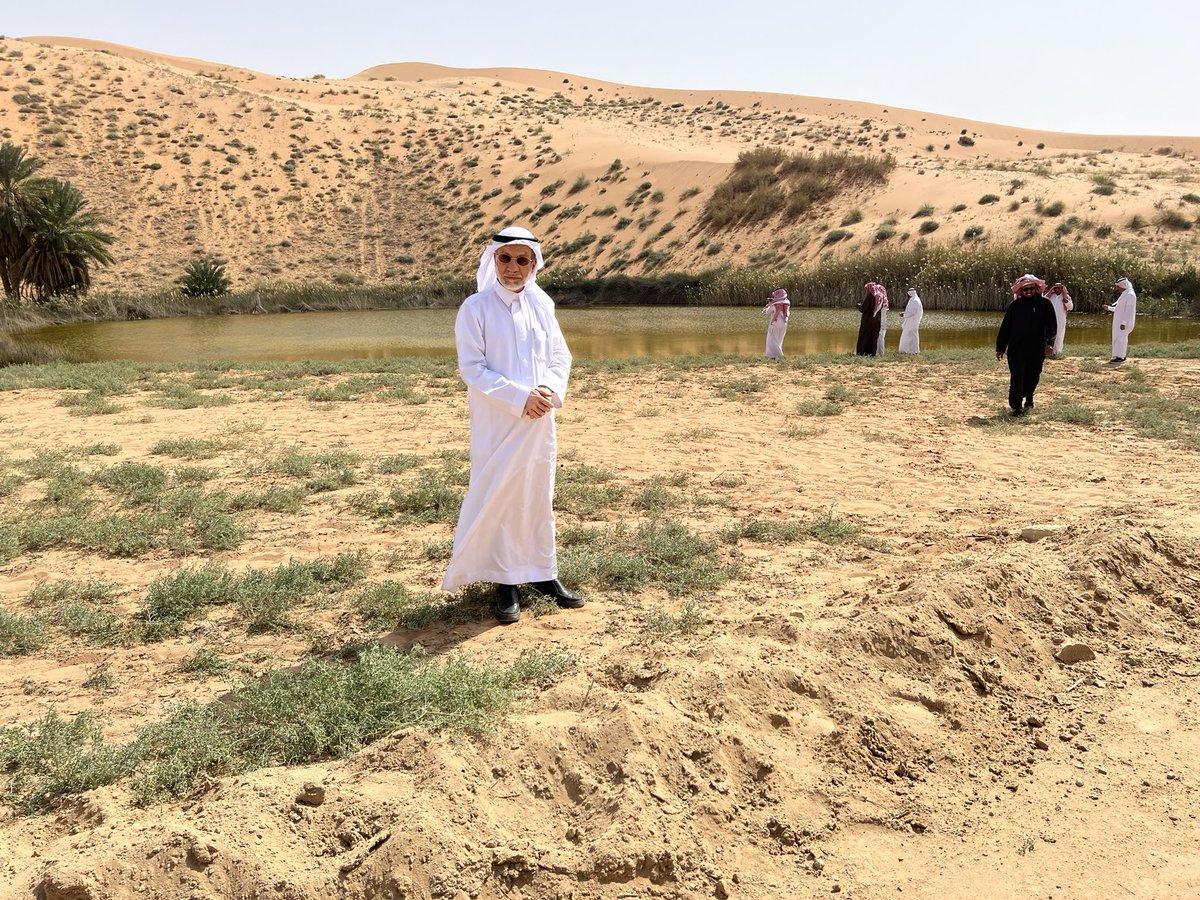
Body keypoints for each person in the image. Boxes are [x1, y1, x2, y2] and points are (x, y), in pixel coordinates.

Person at [441, 225, 584, 624]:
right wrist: (521, 398)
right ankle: (505, 582)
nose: (513, 268)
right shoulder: (475, 307)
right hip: (498, 421)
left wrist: (548, 390)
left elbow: (561, 357)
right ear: (493, 260)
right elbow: (473, 369)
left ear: (534, 263)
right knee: (501, 494)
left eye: (523, 260)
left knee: (537, 494)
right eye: (505, 258)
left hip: (540, 420)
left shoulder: (543, 304)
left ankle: (542, 574)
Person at [995, 274, 1056, 416]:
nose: (1028, 291)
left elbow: (1052, 326)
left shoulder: (1045, 305)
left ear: (1036, 288)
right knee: (1017, 377)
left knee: (1033, 376)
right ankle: (1016, 407)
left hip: (1037, 349)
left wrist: (1050, 343)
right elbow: (1006, 327)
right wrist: (1000, 347)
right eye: (1025, 289)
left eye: (1031, 288)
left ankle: (1029, 397)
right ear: (1021, 291)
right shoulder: (1015, 306)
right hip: (1017, 349)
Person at [1103, 276, 1137, 364]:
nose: (1117, 288)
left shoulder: (1130, 295)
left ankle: (1121, 357)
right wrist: (1109, 308)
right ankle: (1117, 356)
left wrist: (1124, 322)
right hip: (1119, 322)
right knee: (1117, 339)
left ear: (1123, 285)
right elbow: (1119, 309)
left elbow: (1128, 311)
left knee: (1122, 339)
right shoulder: (1125, 293)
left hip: (1124, 323)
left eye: (1118, 286)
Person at [856, 282, 888, 356]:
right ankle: (872, 353)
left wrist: (859, 306)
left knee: (864, 336)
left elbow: (863, 309)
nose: (866, 291)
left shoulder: (870, 297)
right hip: (877, 321)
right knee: (873, 337)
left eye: (867, 289)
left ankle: (862, 353)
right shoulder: (880, 297)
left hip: (868, 320)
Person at [1046, 282, 1074, 356]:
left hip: (1060, 320)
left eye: (1059, 288)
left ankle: (1057, 353)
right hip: (1049, 320)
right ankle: (1049, 352)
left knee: (1059, 336)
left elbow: (1071, 307)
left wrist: (1067, 302)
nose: (1057, 289)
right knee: (1049, 336)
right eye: (1056, 288)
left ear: (1062, 289)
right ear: (1054, 289)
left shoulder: (1066, 296)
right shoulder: (1050, 296)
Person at [763, 287, 790, 358]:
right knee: (779, 339)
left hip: (775, 322)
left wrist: (768, 304)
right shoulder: (787, 303)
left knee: (771, 339)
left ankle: (774, 355)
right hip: (784, 323)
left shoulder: (774, 304)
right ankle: (776, 355)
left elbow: (767, 312)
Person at [898, 287, 923, 354]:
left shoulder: (915, 301)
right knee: (908, 337)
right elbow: (910, 311)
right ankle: (907, 351)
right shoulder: (913, 300)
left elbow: (912, 313)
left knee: (912, 337)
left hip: (912, 323)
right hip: (910, 322)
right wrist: (904, 313)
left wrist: (904, 315)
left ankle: (913, 351)